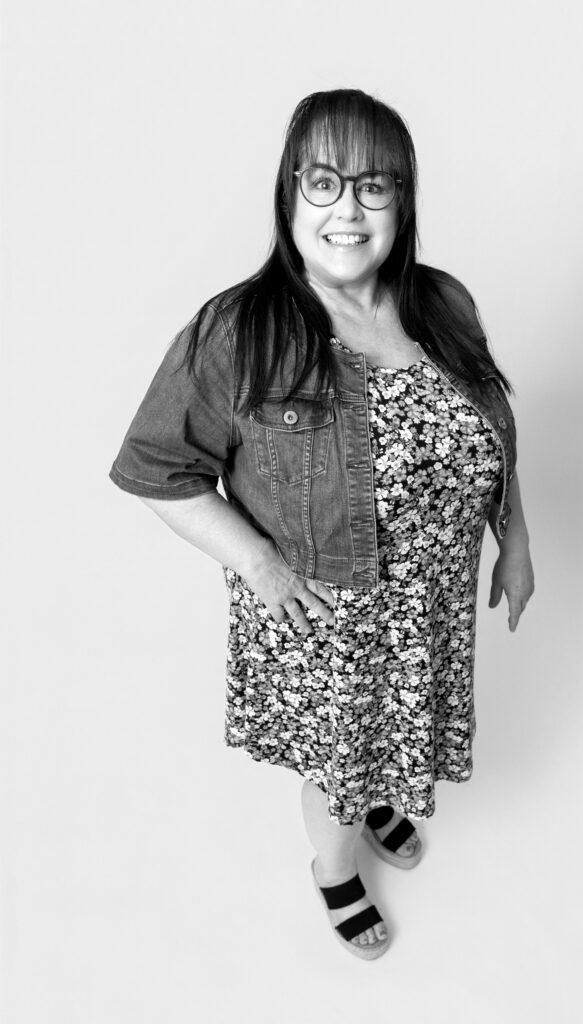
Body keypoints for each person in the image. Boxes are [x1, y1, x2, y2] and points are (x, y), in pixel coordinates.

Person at [109, 88, 535, 960]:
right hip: (330, 623)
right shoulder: (241, 330)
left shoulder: (442, 304)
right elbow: (153, 466)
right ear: (289, 195)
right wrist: (260, 565)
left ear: (402, 201)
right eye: (324, 182)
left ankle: (374, 799)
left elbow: (488, 430)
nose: (348, 209)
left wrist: (515, 540)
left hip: (426, 611)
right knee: (339, 767)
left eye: (373, 185)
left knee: (383, 744)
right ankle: (335, 871)